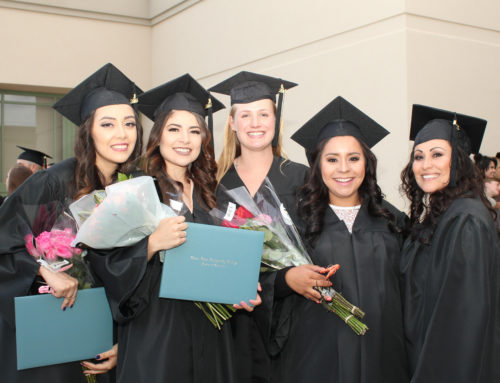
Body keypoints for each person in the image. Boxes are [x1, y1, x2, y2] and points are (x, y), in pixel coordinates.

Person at [87, 74, 260, 383]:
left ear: (203, 139)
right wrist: (151, 244)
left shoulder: (215, 195)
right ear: (159, 136)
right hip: (157, 330)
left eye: (194, 131)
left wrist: (241, 285)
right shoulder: (136, 189)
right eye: (174, 129)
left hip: (212, 333)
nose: (185, 139)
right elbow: (105, 262)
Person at [0, 63, 143, 383]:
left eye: (129, 123)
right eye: (108, 124)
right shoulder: (53, 182)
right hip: (50, 335)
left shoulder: (132, 188)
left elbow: (132, 272)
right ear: (88, 130)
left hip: (103, 338)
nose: (122, 134)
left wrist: (124, 338)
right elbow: (4, 237)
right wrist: (43, 269)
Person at [269, 96, 409, 383]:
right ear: (318, 166)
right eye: (332, 159)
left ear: (366, 164)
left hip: (383, 358)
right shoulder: (295, 221)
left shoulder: (393, 221)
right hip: (315, 359)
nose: (343, 169)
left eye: (353, 158)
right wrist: (286, 279)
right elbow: (259, 280)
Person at [209, 71, 309, 383]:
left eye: (264, 114)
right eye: (246, 115)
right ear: (232, 123)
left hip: (292, 318)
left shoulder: (302, 178)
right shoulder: (213, 183)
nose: (255, 124)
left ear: (275, 120)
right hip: (230, 321)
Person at [400, 104, 500, 383]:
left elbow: (462, 319)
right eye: (418, 156)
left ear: (457, 160)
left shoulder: (466, 219)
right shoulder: (441, 214)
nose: (425, 165)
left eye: (437, 154)